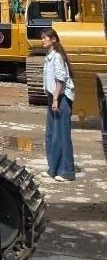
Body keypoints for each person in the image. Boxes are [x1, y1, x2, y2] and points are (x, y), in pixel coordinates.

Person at [40, 27, 76, 182]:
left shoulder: (57, 57)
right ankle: (53, 169)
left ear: (53, 40)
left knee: (61, 135)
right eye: (42, 37)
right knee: (51, 134)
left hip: (61, 98)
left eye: (45, 37)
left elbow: (60, 79)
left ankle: (66, 171)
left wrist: (55, 99)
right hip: (53, 97)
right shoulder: (49, 57)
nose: (42, 40)